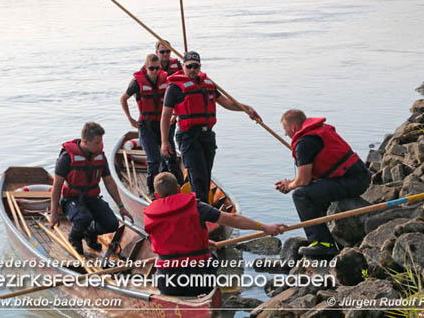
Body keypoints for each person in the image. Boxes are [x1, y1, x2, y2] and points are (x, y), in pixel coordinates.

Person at [144, 172, 286, 296]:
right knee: (214, 257)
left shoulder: (149, 215)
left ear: (156, 195)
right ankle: (208, 294)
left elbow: (165, 242)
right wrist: (265, 227)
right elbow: (233, 219)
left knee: (161, 263)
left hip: (168, 282)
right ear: (179, 189)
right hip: (198, 278)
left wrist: (203, 243)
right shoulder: (195, 206)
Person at [160, 51, 261, 203]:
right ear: (183, 66)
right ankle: (201, 213)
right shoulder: (174, 88)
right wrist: (165, 142)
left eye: (196, 66)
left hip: (207, 136)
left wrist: (247, 109)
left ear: (200, 67)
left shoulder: (208, 84)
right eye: (189, 66)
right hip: (188, 136)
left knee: (206, 175)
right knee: (198, 176)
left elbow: (227, 103)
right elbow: (165, 115)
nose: (193, 69)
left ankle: (203, 208)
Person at [275, 109, 370, 257]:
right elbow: (307, 177)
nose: (285, 134)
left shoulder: (304, 142)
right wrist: (291, 182)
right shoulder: (317, 131)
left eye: (285, 129)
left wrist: (290, 186)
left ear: (293, 127)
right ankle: (330, 235)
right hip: (358, 176)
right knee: (310, 191)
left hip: (353, 181)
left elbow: (303, 181)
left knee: (301, 195)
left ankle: (323, 243)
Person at [49, 122, 133, 255]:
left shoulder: (99, 156)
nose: (100, 145)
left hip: (92, 198)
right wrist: (54, 213)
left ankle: (89, 233)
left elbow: (109, 182)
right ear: (85, 142)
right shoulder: (66, 158)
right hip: (71, 199)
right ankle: (74, 238)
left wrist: (121, 206)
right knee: (84, 218)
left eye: (101, 142)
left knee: (112, 223)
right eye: (97, 142)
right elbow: (56, 187)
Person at [120, 54, 183, 197]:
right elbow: (123, 99)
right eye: (151, 69)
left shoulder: (167, 80)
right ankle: (152, 191)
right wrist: (130, 118)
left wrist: (175, 115)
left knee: (172, 157)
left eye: (157, 68)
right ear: (146, 67)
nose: (154, 72)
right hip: (146, 126)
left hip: (163, 124)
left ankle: (180, 186)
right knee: (154, 160)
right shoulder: (137, 82)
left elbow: (179, 98)